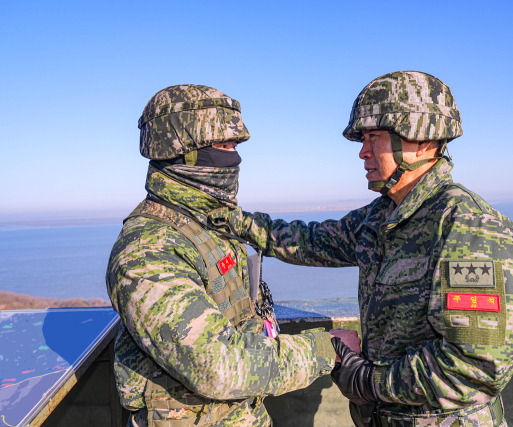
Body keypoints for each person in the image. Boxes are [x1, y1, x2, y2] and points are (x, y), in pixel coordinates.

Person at [234, 71, 513, 427]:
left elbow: (476, 365)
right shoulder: (382, 217)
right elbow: (307, 239)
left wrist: (370, 382)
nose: (363, 152)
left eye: (374, 137)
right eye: (362, 139)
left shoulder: (466, 225)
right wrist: (228, 219)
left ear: (423, 141)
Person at [105, 84, 361, 427]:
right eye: (223, 146)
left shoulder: (207, 223)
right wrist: (323, 349)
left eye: (235, 146)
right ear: (183, 152)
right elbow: (216, 364)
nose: (234, 158)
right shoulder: (147, 251)